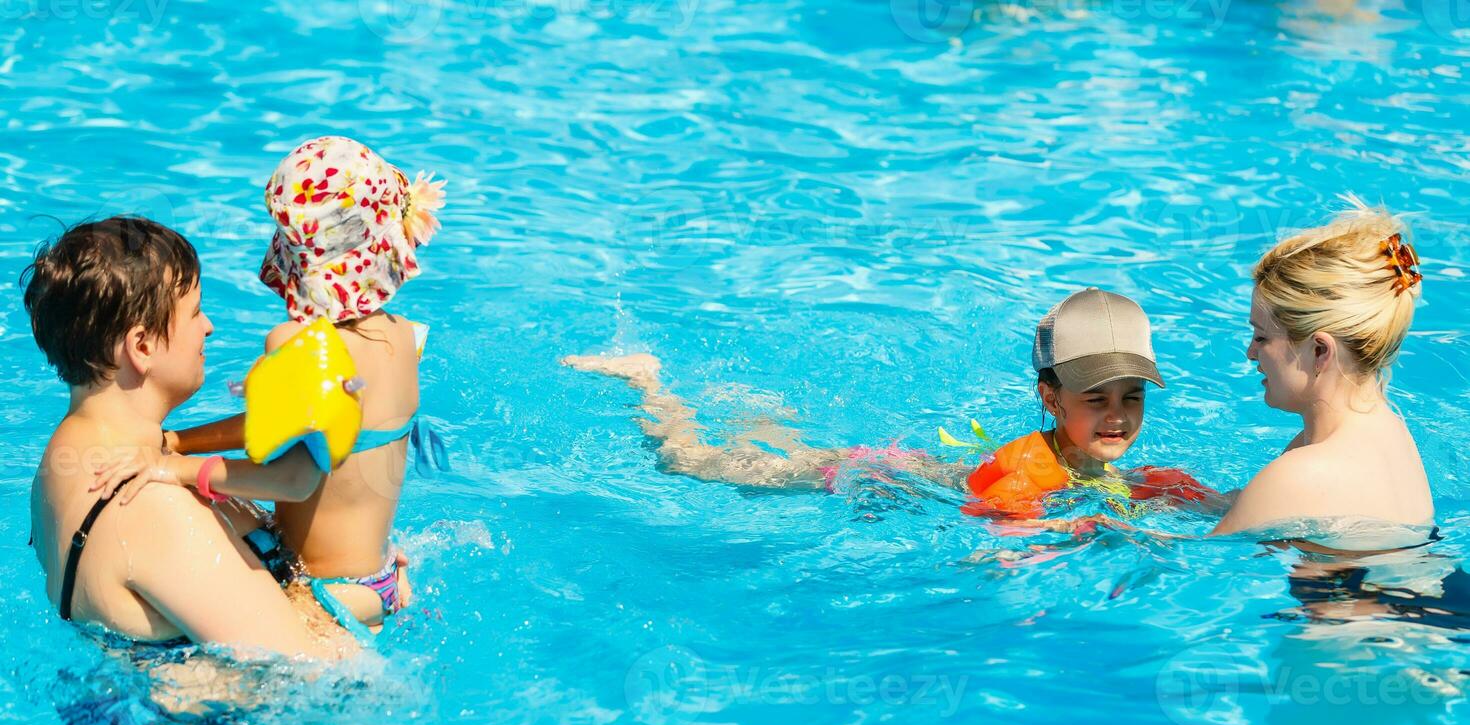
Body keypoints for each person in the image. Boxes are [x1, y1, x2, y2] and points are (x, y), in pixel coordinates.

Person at [93, 136, 443, 643]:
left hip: (324, 599)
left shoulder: (302, 345)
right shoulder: (406, 337)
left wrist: (171, 468)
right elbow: (297, 429)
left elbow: (294, 478)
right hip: (381, 576)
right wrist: (177, 439)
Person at [564, 288, 1212, 517]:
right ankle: (647, 381)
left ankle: (760, 413)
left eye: (1132, 397)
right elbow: (997, 550)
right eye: (1095, 398)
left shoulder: (1093, 462)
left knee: (768, 445)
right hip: (867, 474)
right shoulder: (1025, 469)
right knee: (691, 462)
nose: (1118, 416)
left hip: (912, 469)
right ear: (1049, 397)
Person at [25, 217, 353, 658]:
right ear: (141, 347)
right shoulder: (150, 506)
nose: (209, 327)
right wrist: (378, 597)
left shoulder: (62, 461)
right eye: (195, 311)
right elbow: (313, 670)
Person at [1211, 198, 1433, 548]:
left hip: (1357, 600)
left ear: (1320, 350)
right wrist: (1182, 493)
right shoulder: (1386, 432)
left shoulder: (1303, 472)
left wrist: (1104, 529)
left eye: (1262, 337)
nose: (1251, 352)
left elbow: (1199, 563)